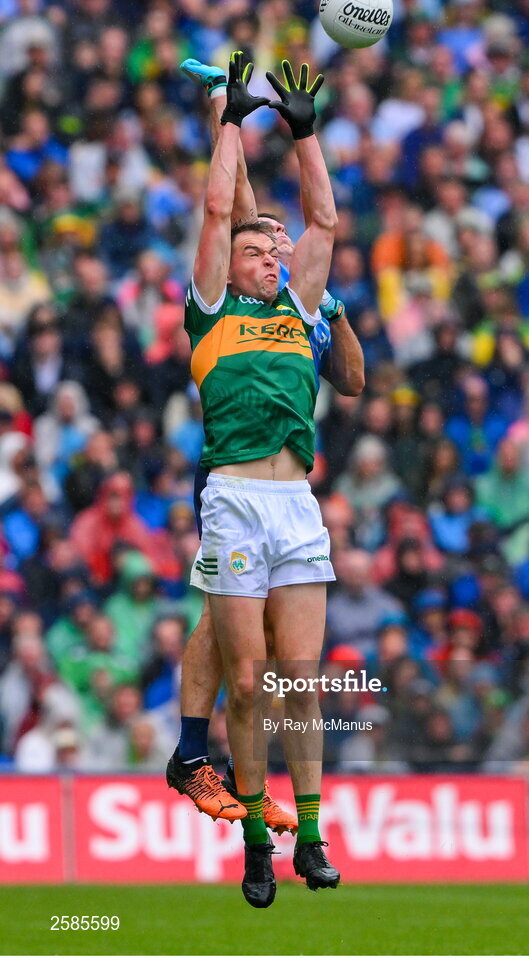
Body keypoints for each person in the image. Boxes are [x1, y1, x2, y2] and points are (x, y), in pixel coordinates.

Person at [165, 56, 364, 842]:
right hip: (232, 475)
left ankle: (211, 765)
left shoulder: (305, 302)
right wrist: (230, 110)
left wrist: (295, 128)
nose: (274, 249)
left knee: (262, 651)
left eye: (279, 246)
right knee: (233, 637)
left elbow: (352, 379)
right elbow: (231, 215)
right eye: (265, 246)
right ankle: (194, 757)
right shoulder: (231, 294)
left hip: (291, 493)